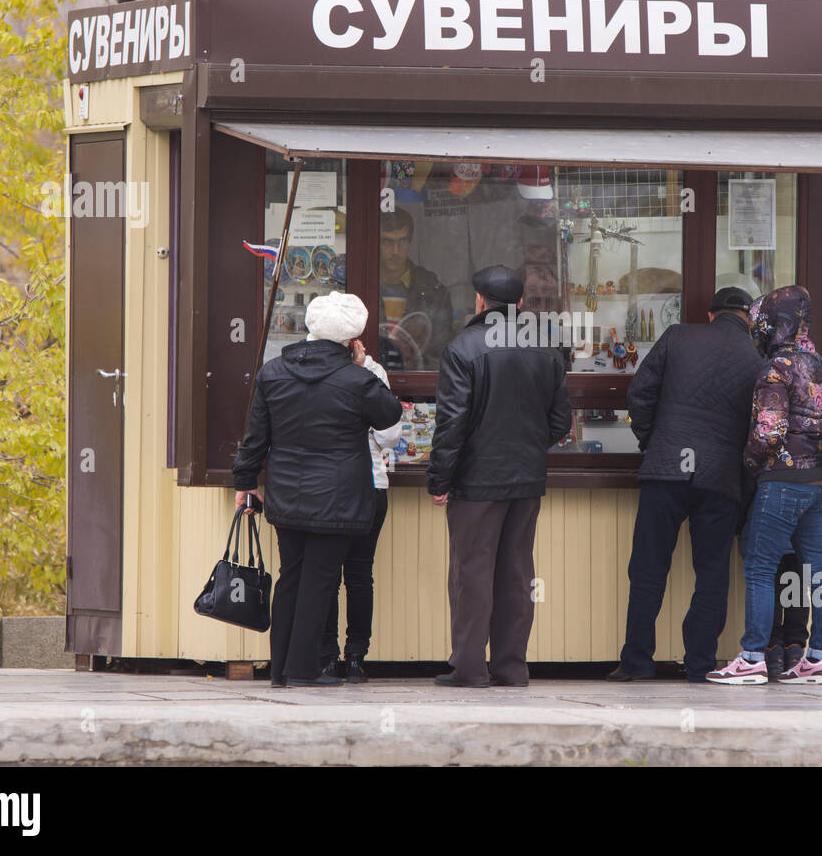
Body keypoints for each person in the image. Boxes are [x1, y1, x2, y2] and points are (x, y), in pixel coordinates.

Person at [232, 292, 402, 688]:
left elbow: (254, 438)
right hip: (339, 496)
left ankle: (280, 668)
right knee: (321, 579)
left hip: (286, 491)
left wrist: (244, 484)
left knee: (291, 574)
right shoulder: (357, 379)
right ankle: (305, 668)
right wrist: (361, 369)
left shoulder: (273, 373)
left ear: (310, 327)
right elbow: (390, 414)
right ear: (350, 338)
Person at [609, 287, 764, 684]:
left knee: (647, 568)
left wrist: (653, 441)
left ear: (711, 315)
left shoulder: (677, 335)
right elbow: (758, 429)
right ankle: (700, 664)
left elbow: (638, 393)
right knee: (711, 572)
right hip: (720, 476)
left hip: (666, 469)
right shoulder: (757, 359)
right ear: (748, 319)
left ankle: (637, 662)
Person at [427, 265, 571, 687]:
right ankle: (511, 667)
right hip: (526, 480)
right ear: (521, 304)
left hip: (475, 482)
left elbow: (451, 424)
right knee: (517, 574)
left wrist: (440, 480)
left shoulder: (462, 347)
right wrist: (526, 446)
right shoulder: (547, 350)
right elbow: (561, 422)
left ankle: (469, 669)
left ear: (479, 301)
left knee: (472, 573)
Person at [709, 285, 822, 685]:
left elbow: (769, 433)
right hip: (818, 481)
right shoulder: (820, 364)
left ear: (773, 323)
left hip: (781, 480)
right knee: (820, 572)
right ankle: (818, 657)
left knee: (761, 567)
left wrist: (749, 462)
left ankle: (751, 658)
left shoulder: (775, 368)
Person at [318, 350, 403, 683]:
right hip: (366, 483)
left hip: (341, 486)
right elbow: (387, 435)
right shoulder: (372, 372)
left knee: (335, 575)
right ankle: (353, 658)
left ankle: (332, 657)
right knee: (356, 575)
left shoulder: (358, 369)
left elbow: (388, 437)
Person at [378, 208, 454, 371]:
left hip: (416, 389)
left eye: (403, 241)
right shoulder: (364, 286)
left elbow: (439, 354)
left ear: (410, 242)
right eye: (387, 242)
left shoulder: (434, 292)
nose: (395, 251)